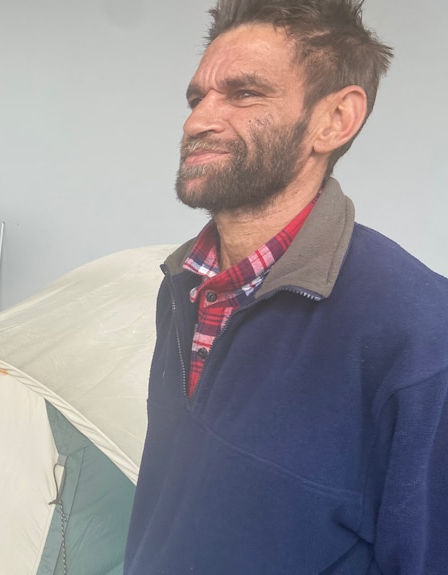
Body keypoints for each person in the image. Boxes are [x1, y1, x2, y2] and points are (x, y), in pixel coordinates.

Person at [124, 1, 448, 573]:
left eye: (244, 93)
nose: (197, 121)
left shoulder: (421, 336)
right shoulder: (183, 286)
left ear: (335, 121)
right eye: (198, 98)